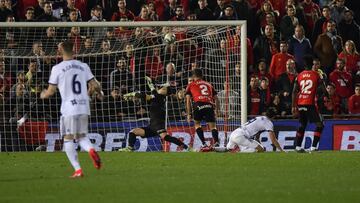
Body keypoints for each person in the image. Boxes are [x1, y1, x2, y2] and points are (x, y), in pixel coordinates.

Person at [40, 41, 102, 178]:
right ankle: (91, 149)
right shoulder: (83, 66)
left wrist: (43, 94)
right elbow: (95, 85)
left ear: (60, 50)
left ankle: (78, 170)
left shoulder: (57, 68)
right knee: (81, 137)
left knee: (68, 139)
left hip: (69, 108)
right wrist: (99, 91)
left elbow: (50, 92)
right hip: (84, 105)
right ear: (73, 50)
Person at [119, 77, 190, 152]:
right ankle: (130, 148)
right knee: (133, 132)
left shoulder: (159, 96)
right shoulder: (158, 96)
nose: (161, 88)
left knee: (166, 137)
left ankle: (187, 148)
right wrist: (149, 82)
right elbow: (152, 90)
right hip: (152, 126)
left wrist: (132, 94)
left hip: (158, 124)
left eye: (163, 88)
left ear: (165, 92)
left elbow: (144, 96)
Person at [292, 55, 327, 152]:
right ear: (311, 64)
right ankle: (314, 147)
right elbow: (324, 89)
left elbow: (294, 91)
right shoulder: (316, 74)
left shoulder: (299, 75)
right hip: (310, 103)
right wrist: (327, 97)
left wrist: (293, 106)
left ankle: (298, 147)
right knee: (320, 125)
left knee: (303, 125)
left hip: (300, 103)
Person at [216, 108, 284, 153]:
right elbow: (273, 140)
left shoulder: (260, 118)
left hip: (234, 133)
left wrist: (259, 144)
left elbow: (257, 136)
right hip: (241, 136)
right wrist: (281, 150)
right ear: (274, 116)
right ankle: (237, 151)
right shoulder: (269, 123)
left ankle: (215, 149)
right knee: (260, 149)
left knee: (228, 150)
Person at [186, 68, 220, 151]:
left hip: (198, 105)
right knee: (213, 126)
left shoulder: (191, 85)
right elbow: (217, 99)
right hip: (209, 105)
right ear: (202, 75)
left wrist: (189, 114)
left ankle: (204, 144)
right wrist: (217, 110)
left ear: (193, 76)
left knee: (197, 124)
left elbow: (188, 100)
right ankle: (216, 143)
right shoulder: (209, 84)